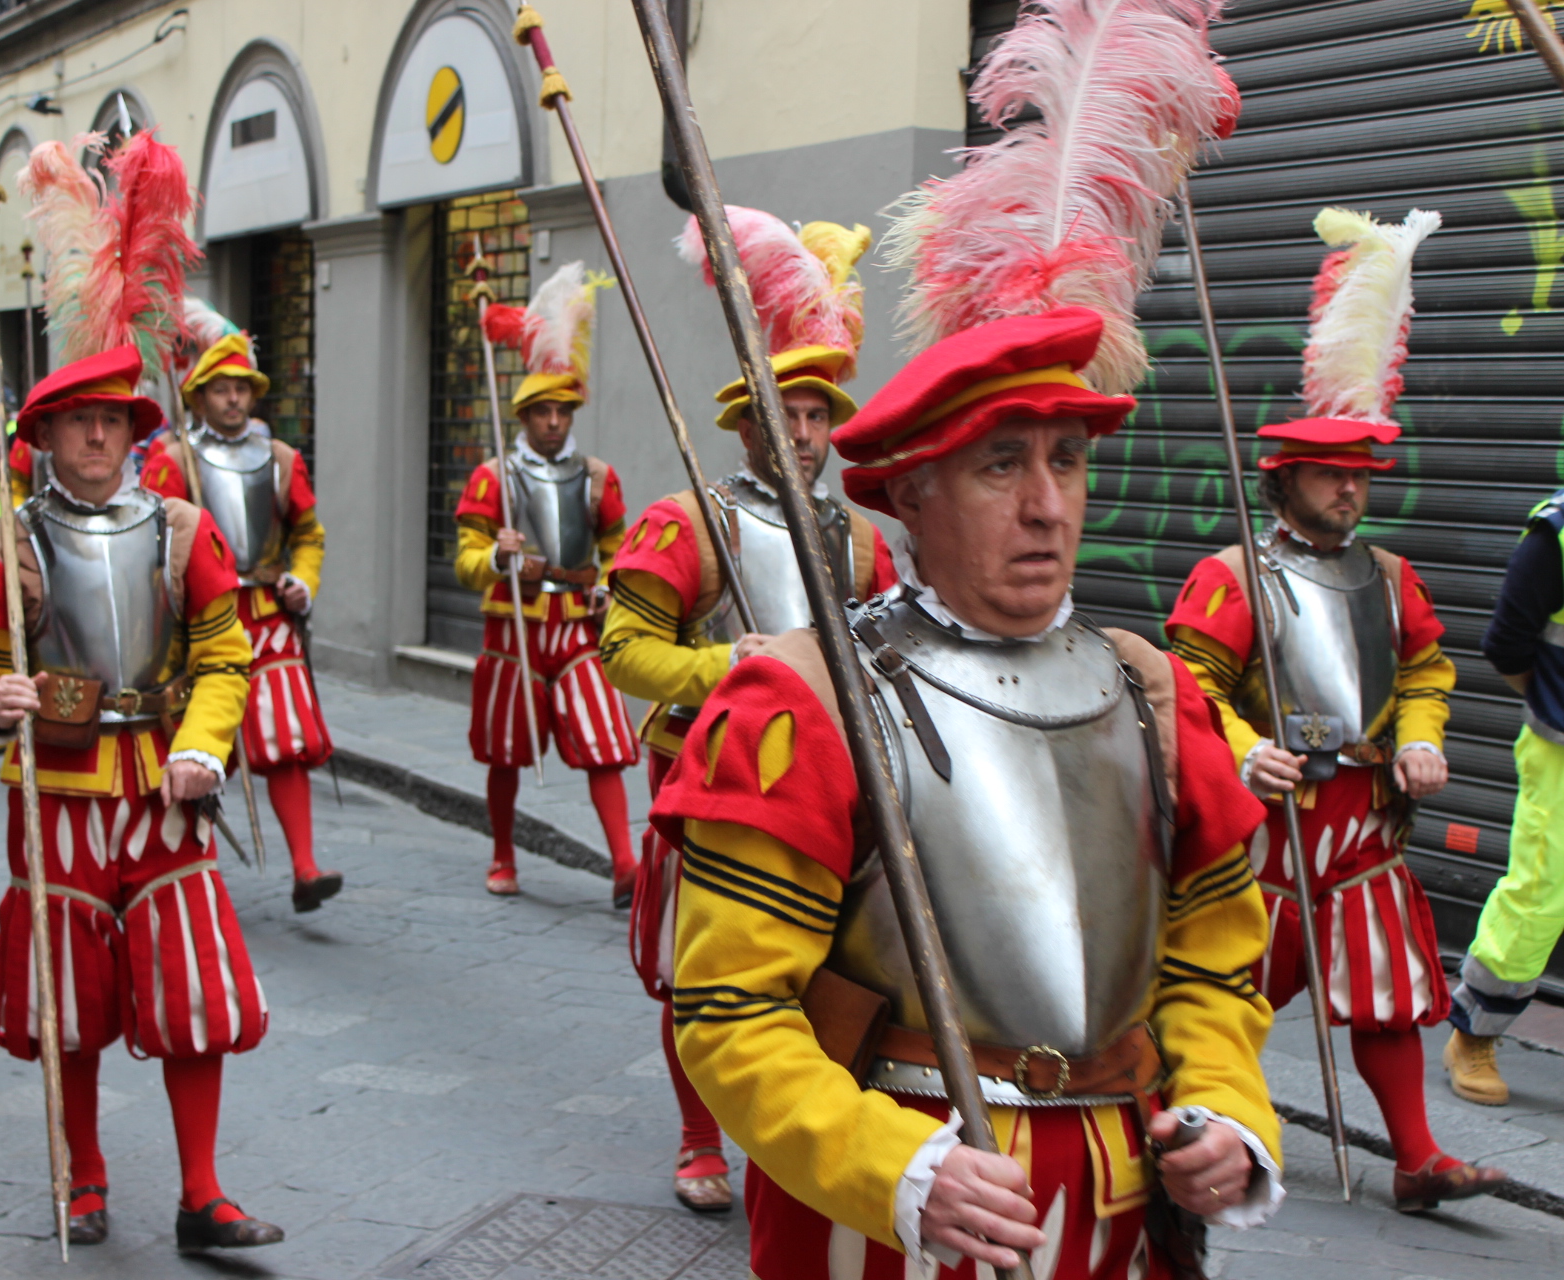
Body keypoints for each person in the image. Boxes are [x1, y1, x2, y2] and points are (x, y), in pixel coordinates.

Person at [655, 303, 1285, 1278]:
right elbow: (731, 1009)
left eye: (1067, 460)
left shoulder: (1155, 694)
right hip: (896, 1218)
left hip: (1121, 1208)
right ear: (913, 492)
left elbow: (1215, 964)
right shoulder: (808, 700)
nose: (1048, 505)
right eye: (1002, 465)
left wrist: (1227, 1111)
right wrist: (893, 1166)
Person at [1167, 208, 1504, 1211]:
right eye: (1331, 473)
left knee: (1388, 993)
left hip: (1361, 826)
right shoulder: (1231, 577)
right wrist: (1242, 748)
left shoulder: (1392, 576)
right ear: (1285, 478)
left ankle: (1417, 1156)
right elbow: (1187, 687)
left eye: (1360, 474)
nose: (1350, 490)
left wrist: (1422, 739)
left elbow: (1429, 670)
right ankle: (1186, 1123)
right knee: (1227, 989)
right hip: (1264, 825)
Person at [0, 344, 282, 1251]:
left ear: (133, 433)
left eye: (114, 421)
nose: (98, 435)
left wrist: (204, 746)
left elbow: (226, 657)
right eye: (79, 422)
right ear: (45, 435)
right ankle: (82, 1175)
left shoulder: (185, 531)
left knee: (193, 989)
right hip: (55, 794)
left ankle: (203, 1195)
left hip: (166, 790)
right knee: (69, 999)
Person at [600, 208, 896, 1214]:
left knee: (828, 963)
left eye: (818, 416)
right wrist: (730, 660)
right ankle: (698, 1140)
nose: (804, 435)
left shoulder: (864, 539)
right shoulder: (686, 521)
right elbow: (625, 652)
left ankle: (798, 1133)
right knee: (706, 968)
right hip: (710, 769)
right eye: (785, 414)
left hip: (834, 780)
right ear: (745, 423)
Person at [141, 316, 341, 912]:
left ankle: (305, 867)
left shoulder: (281, 458)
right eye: (222, 389)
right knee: (204, 741)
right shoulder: (173, 460)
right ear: (199, 397)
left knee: (286, 736)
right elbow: (153, 542)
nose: (233, 399)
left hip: (269, 612)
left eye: (242, 389)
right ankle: (194, 869)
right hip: (202, 618)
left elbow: (307, 533)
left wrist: (304, 581)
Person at [456, 261, 640, 901]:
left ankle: (624, 863)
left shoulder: (598, 476)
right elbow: (465, 559)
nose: (555, 421)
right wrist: (496, 555)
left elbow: (618, 547)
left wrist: (610, 583)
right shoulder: (493, 477)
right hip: (515, 626)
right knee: (506, 747)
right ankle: (503, 855)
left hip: (579, 625)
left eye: (563, 410)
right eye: (543, 411)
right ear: (524, 416)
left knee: (603, 739)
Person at [1445, 487, 1564, 1104]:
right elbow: (1506, 644)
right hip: (1561, 749)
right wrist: (1551, 700)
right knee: (1539, 898)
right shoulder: (1557, 533)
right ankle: (1475, 1031)